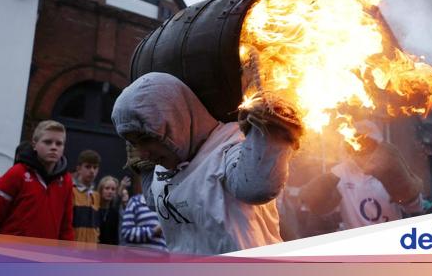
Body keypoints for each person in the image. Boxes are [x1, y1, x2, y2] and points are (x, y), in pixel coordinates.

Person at [111, 72, 301, 255]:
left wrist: (272, 121)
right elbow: (154, 202)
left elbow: (258, 186)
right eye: (135, 143)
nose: (143, 153)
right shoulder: (164, 167)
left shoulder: (228, 145)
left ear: (175, 121)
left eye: (146, 138)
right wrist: (145, 168)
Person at [298, 137, 424, 230]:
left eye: (370, 147)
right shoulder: (340, 173)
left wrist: (408, 194)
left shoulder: (391, 169)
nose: (364, 153)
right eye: (358, 147)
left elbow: (415, 207)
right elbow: (321, 211)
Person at [0, 120, 74, 240]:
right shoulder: (17, 173)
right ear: (34, 145)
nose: (54, 147)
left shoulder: (66, 181)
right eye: (47, 142)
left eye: (59, 143)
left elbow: (66, 227)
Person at [72, 150, 101, 243]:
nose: (92, 171)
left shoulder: (96, 195)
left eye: (95, 167)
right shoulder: (71, 191)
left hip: (91, 250)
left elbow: (96, 226)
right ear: (79, 168)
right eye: (88, 167)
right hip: (72, 249)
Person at [97, 175, 129, 245]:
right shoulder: (94, 208)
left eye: (113, 189)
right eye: (107, 188)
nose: (110, 191)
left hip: (111, 251)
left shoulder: (114, 211)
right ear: (101, 189)